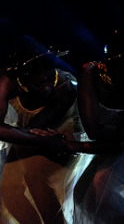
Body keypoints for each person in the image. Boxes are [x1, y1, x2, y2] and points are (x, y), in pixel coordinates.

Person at [0, 37, 84, 224]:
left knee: (36, 180)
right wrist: (44, 139)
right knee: (8, 189)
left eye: (49, 78)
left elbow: (36, 128)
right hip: (33, 136)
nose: (47, 86)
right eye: (39, 84)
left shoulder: (64, 87)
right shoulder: (7, 80)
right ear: (22, 79)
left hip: (59, 132)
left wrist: (56, 141)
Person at [72, 29, 124, 223]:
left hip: (115, 147)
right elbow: (92, 129)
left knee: (102, 183)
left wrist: (74, 147)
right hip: (106, 146)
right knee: (81, 193)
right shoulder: (91, 74)